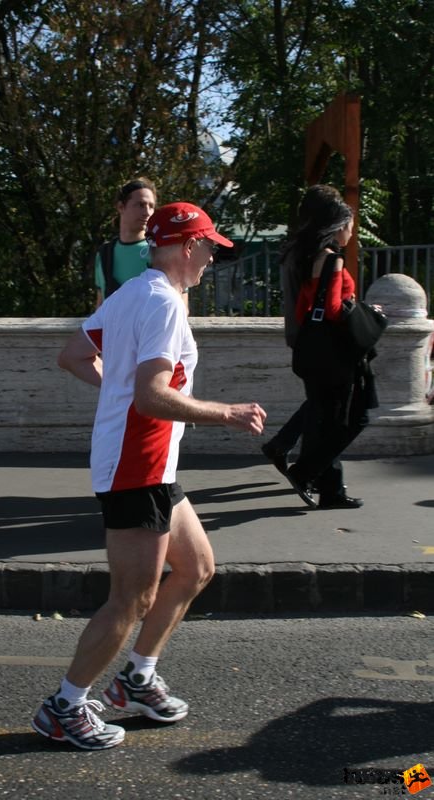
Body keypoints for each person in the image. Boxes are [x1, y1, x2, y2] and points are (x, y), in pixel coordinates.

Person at [32, 201, 267, 751]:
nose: (212, 257)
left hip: (149, 464)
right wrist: (227, 412)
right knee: (131, 599)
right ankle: (64, 706)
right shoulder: (163, 304)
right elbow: (153, 395)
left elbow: (71, 355)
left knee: (196, 567)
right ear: (188, 246)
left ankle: (137, 679)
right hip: (138, 465)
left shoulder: (130, 292)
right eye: (210, 246)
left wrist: (114, 391)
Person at [283, 195, 377, 510]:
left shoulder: (306, 256)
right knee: (352, 419)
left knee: (325, 420)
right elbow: (335, 309)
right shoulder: (331, 258)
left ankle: (330, 489)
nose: (353, 230)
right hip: (337, 354)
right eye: (350, 223)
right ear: (338, 225)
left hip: (314, 352)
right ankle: (305, 472)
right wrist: (365, 311)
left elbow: (304, 308)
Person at [261, 185, 342, 476]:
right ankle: (297, 457)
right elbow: (324, 302)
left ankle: (284, 447)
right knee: (326, 405)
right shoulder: (315, 253)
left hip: (300, 334)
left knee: (320, 400)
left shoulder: (295, 247)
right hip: (316, 336)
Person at [94, 177, 157, 308]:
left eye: (151, 206)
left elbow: (180, 306)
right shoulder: (105, 254)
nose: (147, 212)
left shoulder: (160, 250)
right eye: (140, 205)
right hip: (113, 328)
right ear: (121, 207)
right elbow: (100, 306)